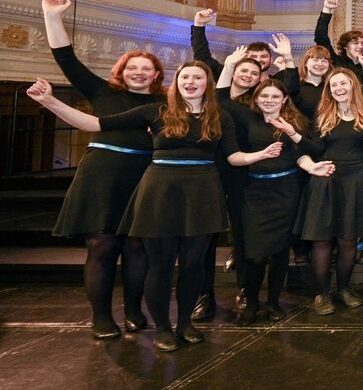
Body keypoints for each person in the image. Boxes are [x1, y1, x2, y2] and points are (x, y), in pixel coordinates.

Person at [28, 62, 237, 352]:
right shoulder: (156, 111)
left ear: (207, 83)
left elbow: (233, 155)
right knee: (161, 264)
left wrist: (263, 154)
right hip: (160, 192)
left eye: (198, 77)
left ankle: (185, 324)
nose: (191, 82)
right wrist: (50, 102)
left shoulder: (219, 116)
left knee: (193, 264)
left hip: (202, 194)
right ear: (176, 82)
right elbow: (95, 124)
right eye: (185, 76)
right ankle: (162, 328)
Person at [40, 0, 160, 338]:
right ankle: (102, 318)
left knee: (137, 246)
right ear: (121, 71)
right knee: (101, 246)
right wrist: (52, 17)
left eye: (146, 69)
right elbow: (66, 57)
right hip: (102, 176)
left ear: (155, 75)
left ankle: (134, 311)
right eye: (132, 68)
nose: (138, 73)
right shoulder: (102, 92)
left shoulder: (164, 102)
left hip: (144, 176)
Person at [224, 79, 319, 325]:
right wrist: (230, 67)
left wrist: (309, 163)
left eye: (275, 96)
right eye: (264, 96)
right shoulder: (248, 119)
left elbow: (308, 151)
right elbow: (221, 97)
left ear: (284, 99)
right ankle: (251, 303)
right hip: (255, 192)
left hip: (286, 192)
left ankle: (273, 302)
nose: (269, 100)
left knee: (279, 252)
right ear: (256, 99)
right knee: (254, 256)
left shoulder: (296, 122)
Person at [294, 68, 363, 315]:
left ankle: (344, 289)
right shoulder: (322, 115)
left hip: (354, 180)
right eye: (334, 85)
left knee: (348, 240)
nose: (339, 88)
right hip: (326, 179)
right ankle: (322, 293)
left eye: (343, 83)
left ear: (353, 86)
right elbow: (313, 149)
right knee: (323, 239)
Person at [315, 0, 363, 84]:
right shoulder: (335, 61)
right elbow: (321, 37)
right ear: (345, 46)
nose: (360, 46)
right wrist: (327, 9)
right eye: (355, 43)